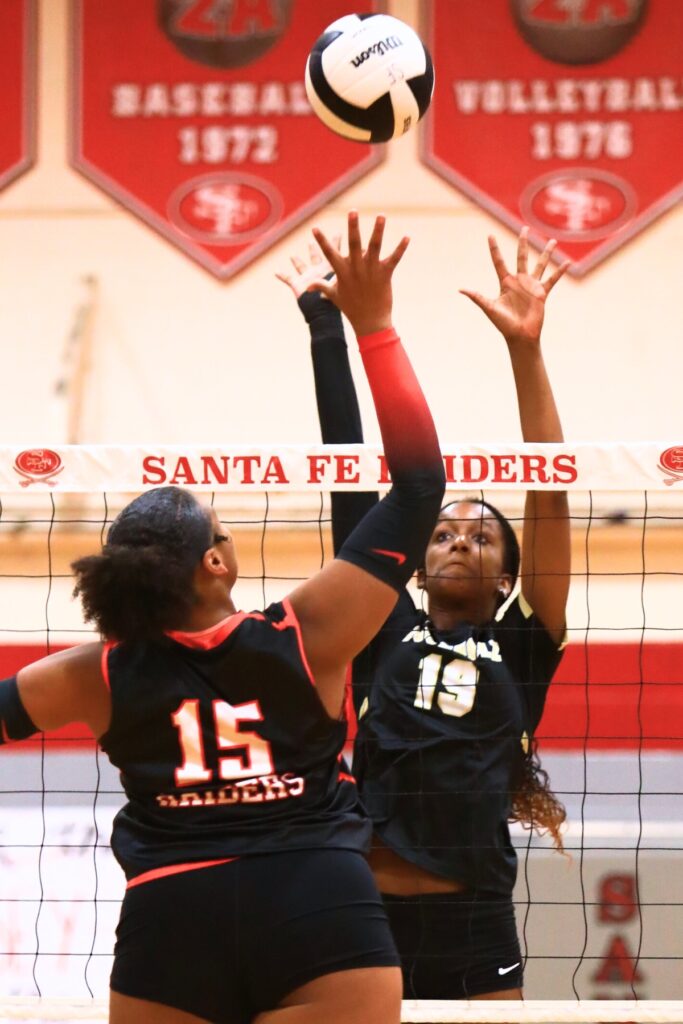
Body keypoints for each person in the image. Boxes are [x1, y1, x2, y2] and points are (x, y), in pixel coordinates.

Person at [0, 212, 445, 1024]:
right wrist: (375, 326)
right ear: (215, 563)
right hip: (317, 900)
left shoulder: (92, 672)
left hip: (172, 918)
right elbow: (418, 486)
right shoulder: (304, 631)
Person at [278, 226, 571, 1001]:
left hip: (473, 914)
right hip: (360, 909)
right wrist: (324, 329)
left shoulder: (526, 640)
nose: (455, 541)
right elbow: (347, 474)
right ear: (412, 555)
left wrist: (524, 349)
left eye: (480, 536)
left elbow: (550, 489)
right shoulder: (378, 625)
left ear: (507, 571)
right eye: (440, 532)